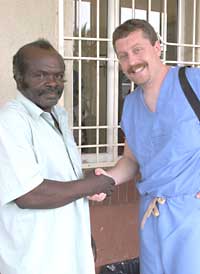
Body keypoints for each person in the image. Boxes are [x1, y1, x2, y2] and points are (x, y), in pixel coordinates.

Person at [0, 39, 115, 274]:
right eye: (40, 75)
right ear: (18, 77)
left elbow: (63, 180)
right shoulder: (11, 122)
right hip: (35, 259)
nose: (52, 83)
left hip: (66, 250)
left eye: (58, 76)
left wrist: (83, 236)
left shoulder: (58, 117)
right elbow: (29, 194)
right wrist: (91, 184)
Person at [95, 19, 200, 274]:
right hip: (151, 218)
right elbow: (131, 161)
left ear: (157, 46)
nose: (132, 61)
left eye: (138, 49)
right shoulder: (130, 105)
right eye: (123, 55)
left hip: (192, 214)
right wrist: (108, 179)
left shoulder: (193, 82)